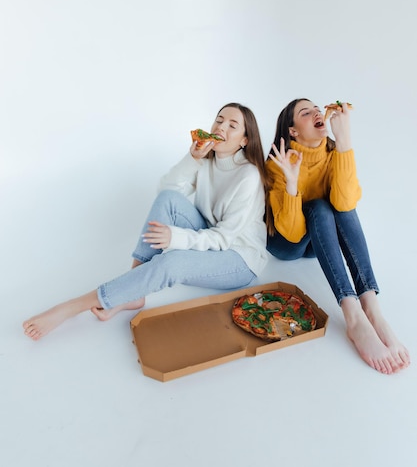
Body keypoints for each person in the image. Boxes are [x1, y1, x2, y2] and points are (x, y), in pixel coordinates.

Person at [23, 102, 269, 340]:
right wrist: (192, 158)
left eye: (232, 125)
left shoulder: (248, 175)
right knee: (168, 199)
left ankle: (72, 306)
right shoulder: (207, 160)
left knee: (173, 260)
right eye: (219, 120)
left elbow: (223, 238)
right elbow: (166, 189)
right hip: (211, 233)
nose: (221, 127)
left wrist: (176, 238)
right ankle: (133, 293)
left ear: (245, 141)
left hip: (239, 258)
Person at [265, 98, 410, 375]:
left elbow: (345, 204)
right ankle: (352, 314)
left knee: (337, 205)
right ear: (293, 131)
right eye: (306, 113)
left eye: (317, 109)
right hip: (287, 243)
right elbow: (293, 233)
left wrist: (344, 141)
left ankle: (371, 306)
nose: (317, 113)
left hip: (318, 241)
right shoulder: (279, 162)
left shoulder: (333, 153)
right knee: (319, 205)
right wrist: (293, 182)